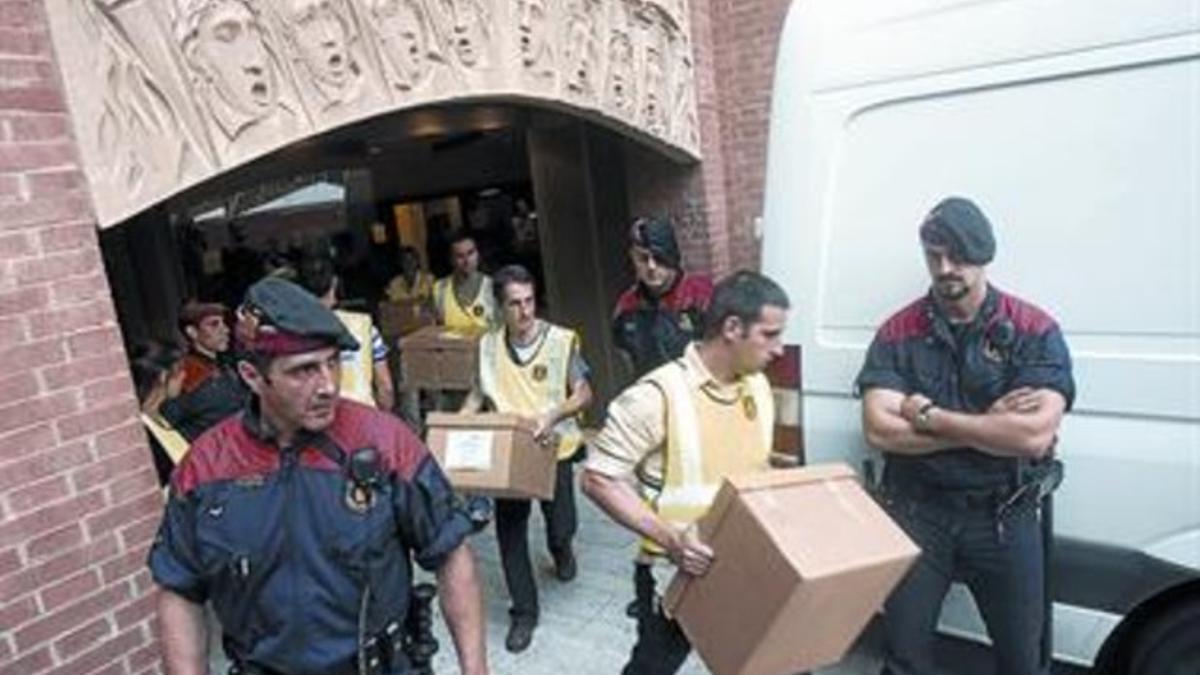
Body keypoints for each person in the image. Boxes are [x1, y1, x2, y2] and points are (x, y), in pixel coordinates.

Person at [148, 276, 489, 675]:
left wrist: (475, 669)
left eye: (333, 363)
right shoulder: (204, 468)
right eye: (303, 371)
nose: (328, 385)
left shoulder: (385, 441)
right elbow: (178, 590)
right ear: (252, 376)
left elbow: (450, 551)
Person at [856, 197, 1074, 675]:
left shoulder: (1032, 329)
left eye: (957, 256)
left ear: (983, 255)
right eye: (934, 255)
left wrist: (931, 417)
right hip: (918, 515)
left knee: (1023, 659)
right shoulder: (897, 332)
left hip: (1005, 515)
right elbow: (879, 429)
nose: (944, 268)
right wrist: (986, 426)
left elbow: (1034, 436)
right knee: (904, 658)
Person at [583, 270, 789, 675]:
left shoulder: (759, 388)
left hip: (744, 565)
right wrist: (672, 541)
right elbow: (597, 479)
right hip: (674, 573)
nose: (780, 348)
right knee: (652, 668)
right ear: (732, 327)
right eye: (770, 334)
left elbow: (755, 469)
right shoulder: (656, 395)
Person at [459, 264, 593, 653]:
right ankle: (524, 612)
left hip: (555, 448)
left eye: (530, 300)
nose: (525, 311)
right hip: (509, 452)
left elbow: (584, 393)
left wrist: (553, 414)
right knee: (511, 533)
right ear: (501, 307)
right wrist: (459, 424)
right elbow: (476, 395)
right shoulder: (486, 345)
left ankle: (561, 548)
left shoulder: (561, 341)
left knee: (559, 524)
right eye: (515, 304)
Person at [611, 215, 713, 617]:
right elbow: (626, 360)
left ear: (673, 256)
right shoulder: (627, 307)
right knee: (652, 508)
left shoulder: (703, 296)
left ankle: (706, 583)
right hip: (654, 429)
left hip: (702, 422)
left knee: (702, 508)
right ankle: (648, 591)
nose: (651, 267)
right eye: (642, 258)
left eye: (659, 257)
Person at [296, 255, 396, 411]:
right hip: (364, 419)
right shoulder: (365, 327)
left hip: (319, 424)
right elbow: (385, 387)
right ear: (335, 283)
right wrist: (382, 422)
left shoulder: (292, 333)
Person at [161, 301, 246, 440]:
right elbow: (169, 422)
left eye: (223, 323)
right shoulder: (187, 372)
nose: (225, 330)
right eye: (214, 324)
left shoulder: (226, 363)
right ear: (192, 332)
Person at [129, 340, 189, 486]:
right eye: (180, 370)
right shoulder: (143, 433)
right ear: (163, 376)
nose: (184, 376)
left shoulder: (161, 416)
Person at [432, 233, 495, 331]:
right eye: (460, 256)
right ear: (451, 260)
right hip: (452, 345)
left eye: (470, 253)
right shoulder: (439, 289)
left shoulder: (492, 287)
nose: (467, 261)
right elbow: (433, 330)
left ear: (478, 254)